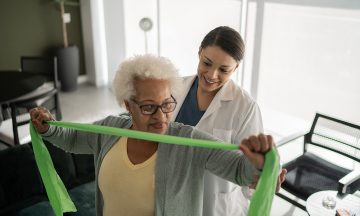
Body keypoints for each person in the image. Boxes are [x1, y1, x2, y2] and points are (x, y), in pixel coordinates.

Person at [30, 54, 278, 216]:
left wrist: (257, 167)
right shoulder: (110, 130)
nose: (161, 116)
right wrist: (48, 128)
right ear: (128, 105)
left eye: (167, 104)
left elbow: (237, 169)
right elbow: (71, 138)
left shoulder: (189, 141)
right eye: (149, 107)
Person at [172, 26, 287, 216]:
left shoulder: (245, 107)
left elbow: (253, 162)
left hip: (214, 203)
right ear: (199, 53)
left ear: (236, 68)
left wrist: (264, 178)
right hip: (173, 190)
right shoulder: (175, 88)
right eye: (206, 63)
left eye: (224, 70)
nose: (211, 75)